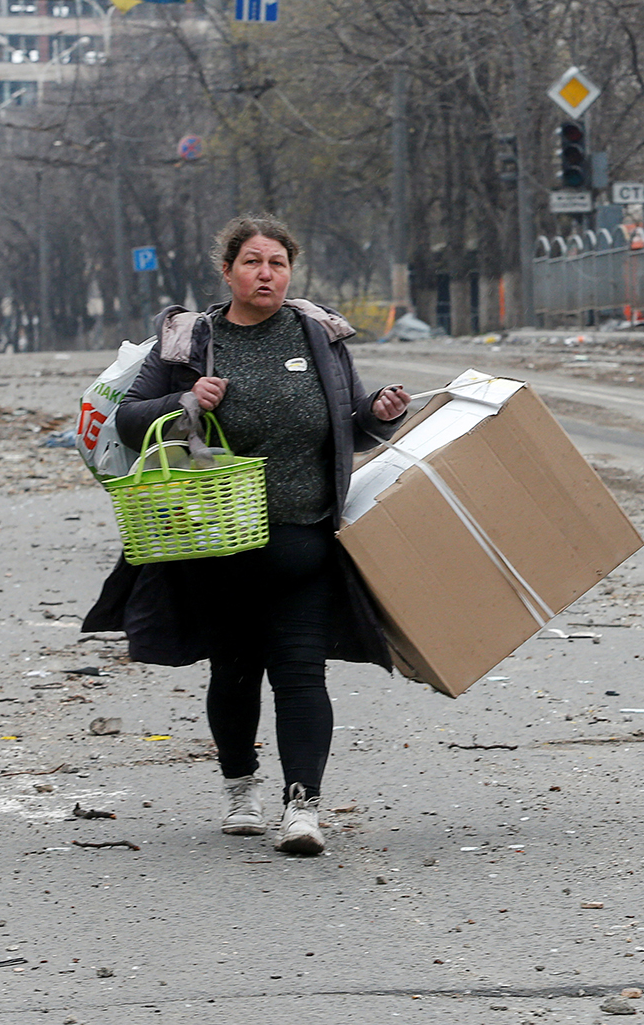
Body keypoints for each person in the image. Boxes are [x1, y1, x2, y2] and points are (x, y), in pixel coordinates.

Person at [81, 215, 411, 857]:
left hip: (303, 541)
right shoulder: (188, 343)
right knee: (234, 671)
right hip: (216, 545)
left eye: (278, 264)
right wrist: (185, 403)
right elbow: (124, 423)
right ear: (227, 270)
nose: (267, 274)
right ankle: (240, 788)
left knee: (300, 673)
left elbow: (348, 418)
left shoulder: (318, 337)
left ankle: (303, 808)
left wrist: (377, 411)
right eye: (254, 262)